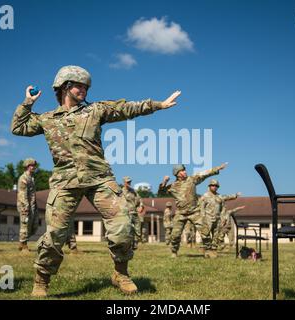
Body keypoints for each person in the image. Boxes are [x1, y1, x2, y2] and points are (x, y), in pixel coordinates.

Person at [11, 65, 181, 296]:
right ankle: (41, 280)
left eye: (86, 86)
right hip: (65, 182)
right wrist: (27, 103)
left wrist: (157, 105)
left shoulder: (95, 110)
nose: (84, 90)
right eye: (79, 85)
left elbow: (125, 108)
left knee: (122, 224)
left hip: (99, 178)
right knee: (55, 234)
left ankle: (120, 273)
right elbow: (18, 128)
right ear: (65, 86)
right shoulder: (47, 119)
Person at [158, 163, 228, 258]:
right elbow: (161, 193)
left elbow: (204, 174)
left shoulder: (192, 179)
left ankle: (208, 250)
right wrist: (164, 182)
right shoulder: (173, 186)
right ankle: (174, 251)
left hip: (194, 212)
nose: (185, 172)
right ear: (177, 173)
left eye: (184, 170)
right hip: (181, 213)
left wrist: (217, 168)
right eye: (182, 171)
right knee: (175, 235)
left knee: (205, 232)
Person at [199, 179, 241, 251]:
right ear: (209, 186)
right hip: (208, 219)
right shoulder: (205, 196)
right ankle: (207, 249)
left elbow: (227, 197)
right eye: (213, 185)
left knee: (216, 235)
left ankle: (214, 250)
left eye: (216, 186)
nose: (214, 187)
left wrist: (235, 195)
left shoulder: (219, 196)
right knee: (206, 235)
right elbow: (201, 207)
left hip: (217, 219)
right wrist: (203, 218)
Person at [17, 158, 39, 252]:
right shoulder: (23, 178)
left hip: (32, 205)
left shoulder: (32, 178)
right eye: (31, 165)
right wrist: (26, 207)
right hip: (25, 206)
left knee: (33, 225)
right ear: (27, 166)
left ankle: (22, 243)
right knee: (25, 225)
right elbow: (22, 195)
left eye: (34, 165)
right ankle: (24, 244)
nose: (33, 167)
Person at [121, 176, 144, 250]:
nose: (129, 183)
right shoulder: (121, 192)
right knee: (129, 230)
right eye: (127, 182)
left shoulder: (133, 191)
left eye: (130, 182)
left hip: (135, 213)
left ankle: (135, 244)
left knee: (137, 230)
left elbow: (140, 199)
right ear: (124, 182)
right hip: (127, 213)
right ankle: (129, 245)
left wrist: (141, 206)